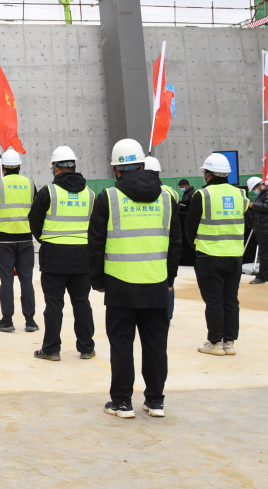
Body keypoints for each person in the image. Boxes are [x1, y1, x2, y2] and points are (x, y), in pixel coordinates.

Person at [88, 138, 181, 419]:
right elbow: (175, 243)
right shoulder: (167, 198)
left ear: (115, 169)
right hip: (156, 282)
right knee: (156, 345)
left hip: (120, 284)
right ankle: (155, 401)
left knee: (121, 344)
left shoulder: (108, 197)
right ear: (142, 165)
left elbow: (95, 243)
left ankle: (122, 402)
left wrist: (98, 281)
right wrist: (169, 279)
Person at [27, 146, 96, 361]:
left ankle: (51, 349)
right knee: (82, 302)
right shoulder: (90, 194)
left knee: (54, 304)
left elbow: (34, 221)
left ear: (55, 168)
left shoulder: (48, 192)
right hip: (82, 256)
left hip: (54, 256)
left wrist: (46, 239)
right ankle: (86, 347)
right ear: (73, 167)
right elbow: (96, 226)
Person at [185, 152, 249, 356]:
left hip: (209, 255)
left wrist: (196, 246)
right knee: (230, 299)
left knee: (213, 300)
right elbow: (244, 221)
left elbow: (190, 227)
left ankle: (214, 342)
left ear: (209, 174)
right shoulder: (241, 194)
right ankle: (229, 342)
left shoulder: (202, 195)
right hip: (235, 256)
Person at [0, 148, 38, 333]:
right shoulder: (30, 184)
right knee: (26, 281)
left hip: (4, 240)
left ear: (3, 167)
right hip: (25, 239)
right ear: (19, 166)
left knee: (6, 281)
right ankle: (30, 321)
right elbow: (37, 210)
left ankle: (7, 320)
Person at [144, 157, 178, 321]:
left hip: (148, 244)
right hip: (166, 244)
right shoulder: (171, 193)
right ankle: (168, 314)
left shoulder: (143, 191)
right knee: (167, 283)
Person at [248, 177, 268, 284]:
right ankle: (265, 275)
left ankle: (261, 276)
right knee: (264, 253)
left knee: (263, 253)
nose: (255, 191)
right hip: (261, 227)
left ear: (260, 185)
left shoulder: (266, 193)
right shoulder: (261, 194)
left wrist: (253, 205)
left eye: (255, 188)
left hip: (264, 228)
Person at [177, 179, 195, 265]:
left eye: (182, 187)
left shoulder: (193, 193)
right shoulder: (185, 194)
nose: (182, 189)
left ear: (187, 185)